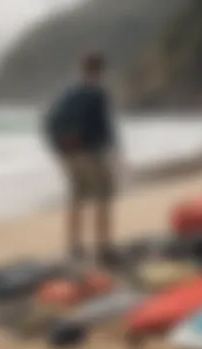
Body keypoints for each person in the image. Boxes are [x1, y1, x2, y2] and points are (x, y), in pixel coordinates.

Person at [44, 50, 120, 267]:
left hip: (67, 154)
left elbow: (49, 121)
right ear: (100, 70)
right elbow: (104, 127)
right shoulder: (97, 92)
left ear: (81, 68)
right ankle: (103, 248)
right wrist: (114, 152)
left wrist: (59, 148)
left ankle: (74, 246)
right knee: (103, 195)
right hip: (90, 152)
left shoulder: (67, 92)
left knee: (77, 196)